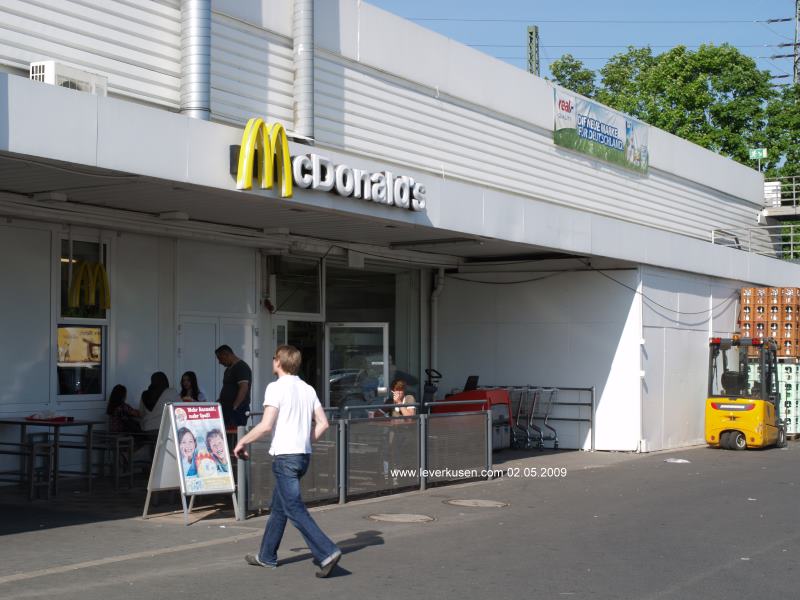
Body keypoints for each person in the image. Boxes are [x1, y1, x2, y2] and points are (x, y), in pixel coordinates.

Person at [234, 345, 342, 578]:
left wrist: (242, 441)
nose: (272, 361)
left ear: (278, 362)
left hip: (285, 458)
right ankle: (266, 556)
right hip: (302, 456)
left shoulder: (275, 388)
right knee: (280, 508)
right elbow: (323, 423)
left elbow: (266, 425)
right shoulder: (308, 389)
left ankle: (327, 552)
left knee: (293, 508)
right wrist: (305, 440)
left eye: (274, 358)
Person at [215, 345, 252, 428]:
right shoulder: (228, 370)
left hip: (237, 411)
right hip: (226, 409)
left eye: (220, 358)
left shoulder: (241, 367)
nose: (219, 362)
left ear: (226, 354)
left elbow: (244, 388)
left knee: (234, 433)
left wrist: (235, 407)